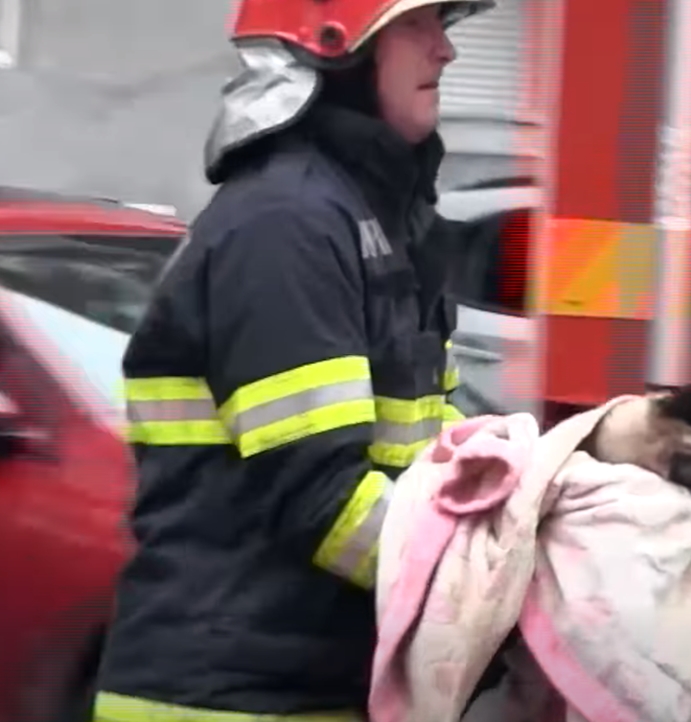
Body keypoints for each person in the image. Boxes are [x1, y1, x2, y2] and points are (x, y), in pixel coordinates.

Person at [91, 0, 492, 718]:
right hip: (232, 699)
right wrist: (494, 592)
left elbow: (435, 453)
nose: (445, 50)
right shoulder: (286, 227)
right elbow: (323, 502)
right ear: (338, 47)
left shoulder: (379, 223)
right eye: (415, 23)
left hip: (313, 686)